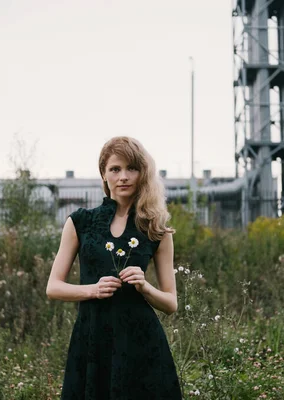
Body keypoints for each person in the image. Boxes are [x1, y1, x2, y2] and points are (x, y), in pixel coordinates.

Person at [46, 136, 183, 399]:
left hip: (140, 345)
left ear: (142, 174)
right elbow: (53, 287)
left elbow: (171, 303)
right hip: (92, 341)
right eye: (115, 169)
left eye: (131, 168)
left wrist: (145, 287)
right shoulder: (80, 222)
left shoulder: (157, 229)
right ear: (103, 174)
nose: (123, 177)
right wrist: (93, 290)